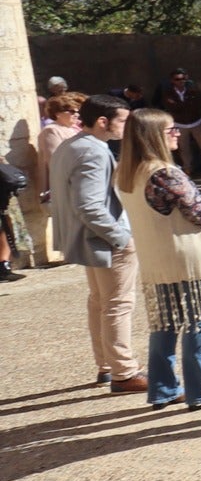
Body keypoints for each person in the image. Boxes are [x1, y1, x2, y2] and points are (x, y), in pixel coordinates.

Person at [114, 108, 201, 410]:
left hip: (155, 257)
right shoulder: (164, 173)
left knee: (164, 325)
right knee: (197, 322)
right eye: (171, 129)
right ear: (154, 135)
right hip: (187, 256)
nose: (177, 133)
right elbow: (199, 212)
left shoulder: (126, 172)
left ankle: (163, 388)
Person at [49, 95, 146, 391]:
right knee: (117, 304)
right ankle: (124, 372)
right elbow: (89, 205)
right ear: (103, 122)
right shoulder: (92, 151)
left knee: (100, 302)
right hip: (104, 239)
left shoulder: (71, 145)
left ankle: (108, 366)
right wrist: (122, 238)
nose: (126, 128)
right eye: (123, 121)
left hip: (87, 238)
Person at [30, 91, 84, 267]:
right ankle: (72, 252)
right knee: (68, 217)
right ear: (58, 113)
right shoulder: (52, 130)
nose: (76, 115)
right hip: (64, 181)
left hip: (78, 179)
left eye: (77, 111)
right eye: (71, 111)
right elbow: (56, 158)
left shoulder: (73, 129)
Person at [153, 69, 201, 176]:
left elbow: (198, 104)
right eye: (177, 79)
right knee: (184, 148)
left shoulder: (193, 90)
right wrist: (185, 105)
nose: (180, 81)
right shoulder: (168, 93)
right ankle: (188, 170)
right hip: (180, 123)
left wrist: (181, 105)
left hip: (195, 121)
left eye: (183, 79)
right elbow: (171, 107)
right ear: (172, 81)